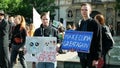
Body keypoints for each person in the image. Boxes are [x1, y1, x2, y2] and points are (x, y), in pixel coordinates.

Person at [76, 3, 102, 68]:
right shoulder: (80, 23)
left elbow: (98, 42)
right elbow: (77, 38)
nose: (84, 11)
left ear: (90, 11)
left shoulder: (95, 23)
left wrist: (96, 58)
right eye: (82, 10)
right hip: (82, 55)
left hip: (91, 56)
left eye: (86, 10)